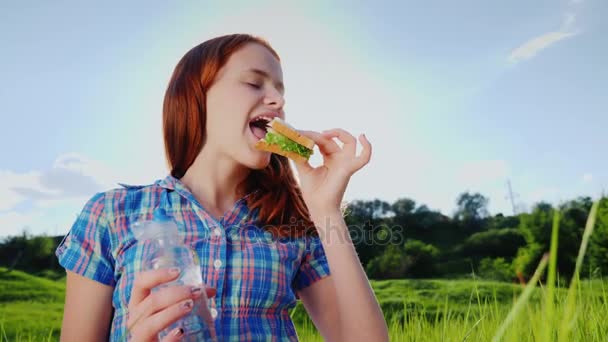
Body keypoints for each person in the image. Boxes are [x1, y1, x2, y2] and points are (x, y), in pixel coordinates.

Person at [55, 33, 388, 341]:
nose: (276, 101)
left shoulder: (294, 223)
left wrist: (326, 209)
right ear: (197, 96)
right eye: (254, 83)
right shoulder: (111, 214)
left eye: (280, 92)